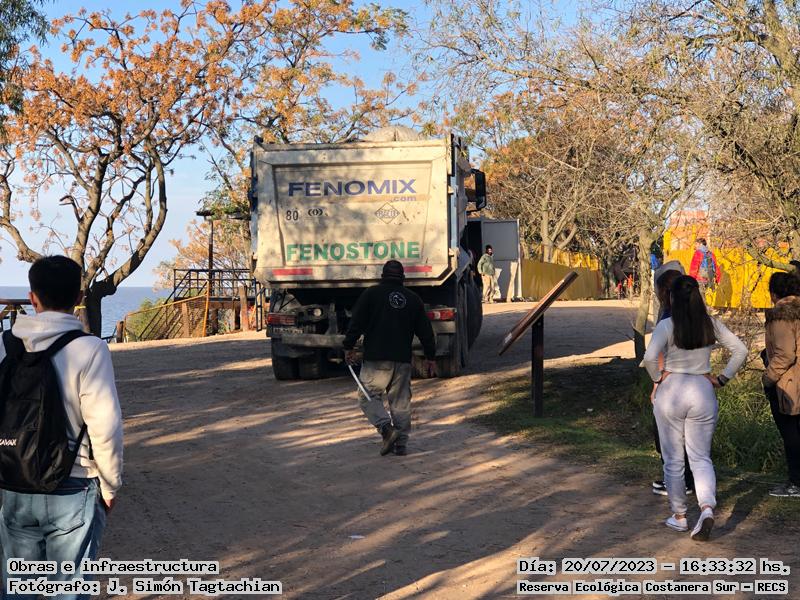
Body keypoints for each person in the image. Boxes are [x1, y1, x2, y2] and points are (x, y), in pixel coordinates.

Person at [0, 256, 124, 597]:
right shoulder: (90, 349)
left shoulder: (8, 345)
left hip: (15, 482)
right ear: (79, 297)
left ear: (33, 297)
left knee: (19, 587)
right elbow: (105, 426)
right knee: (68, 590)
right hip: (73, 484)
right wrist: (110, 486)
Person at [642, 275, 747, 541]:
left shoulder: (667, 325)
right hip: (703, 390)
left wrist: (658, 378)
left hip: (671, 391)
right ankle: (707, 507)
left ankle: (679, 516)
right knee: (701, 457)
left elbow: (650, 357)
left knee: (673, 460)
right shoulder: (710, 323)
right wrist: (722, 378)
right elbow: (741, 350)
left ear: (671, 297)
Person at [343, 260, 436, 456]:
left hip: (376, 358)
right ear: (403, 277)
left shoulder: (371, 294)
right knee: (400, 402)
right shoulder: (413, 299)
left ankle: (386, 429)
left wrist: (348, 345)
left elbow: (356, 322)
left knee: (367, 396)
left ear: (382, 275)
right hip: (402, 360)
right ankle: (401, 445)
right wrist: (430, 357)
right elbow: (426, 332)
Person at [649, 269, 696, 498]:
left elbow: (657, 354)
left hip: (671, 384)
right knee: (691, 438)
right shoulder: (696, 315)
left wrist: (656, 384)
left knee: (667, 437)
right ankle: (692, 481)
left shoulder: (667, 318)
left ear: (666, 292)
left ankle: (677, 482)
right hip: (696, 384)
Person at [763, 268, 800, 498]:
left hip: (789, 383)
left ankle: (795, 482)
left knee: (791, 435)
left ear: (774, 293)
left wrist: (768, 378)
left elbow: (785, 354)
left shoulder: (781, 317)